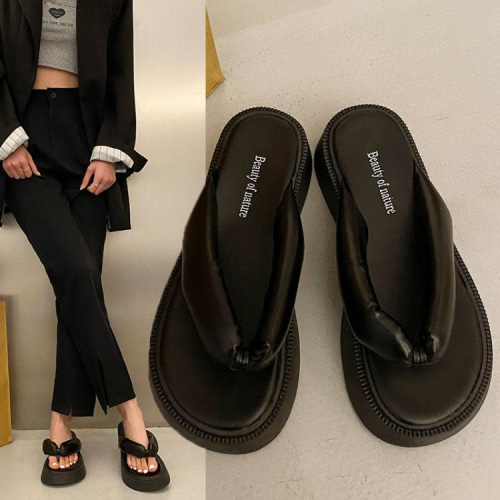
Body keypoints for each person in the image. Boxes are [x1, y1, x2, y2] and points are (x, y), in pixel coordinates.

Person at [0, 0, 167, 489]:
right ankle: (130, 411)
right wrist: (6, 137)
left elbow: (120, 70)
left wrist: (111, 151)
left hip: (89, 142)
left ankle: (61, 421)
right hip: (24, 138)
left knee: (82, 281)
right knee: (75, 270)